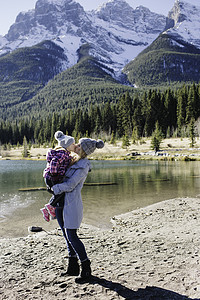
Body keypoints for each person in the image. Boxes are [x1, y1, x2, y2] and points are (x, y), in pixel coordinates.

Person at [52, 138, 104, 281]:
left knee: (72, 236)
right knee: (66, 235)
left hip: (72, 204)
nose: (77, 145)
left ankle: (86, 267)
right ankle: (73, 267)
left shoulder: (83, 166)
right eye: (78, 143)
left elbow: (71, 185)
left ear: (85, 150)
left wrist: (55, 188)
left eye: (80, 145)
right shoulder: (71, 159)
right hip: (61, 203)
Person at [40, 131, 75, 222]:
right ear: (67, 145)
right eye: (73, 144)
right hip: (52, 177)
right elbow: (54, 162)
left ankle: (47, 210)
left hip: (49, 177)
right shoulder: (62, 153)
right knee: (62, 191)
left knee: (58, 193)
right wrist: (55, 174)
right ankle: (50, 206)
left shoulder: (63, 153)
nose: (74, 146)